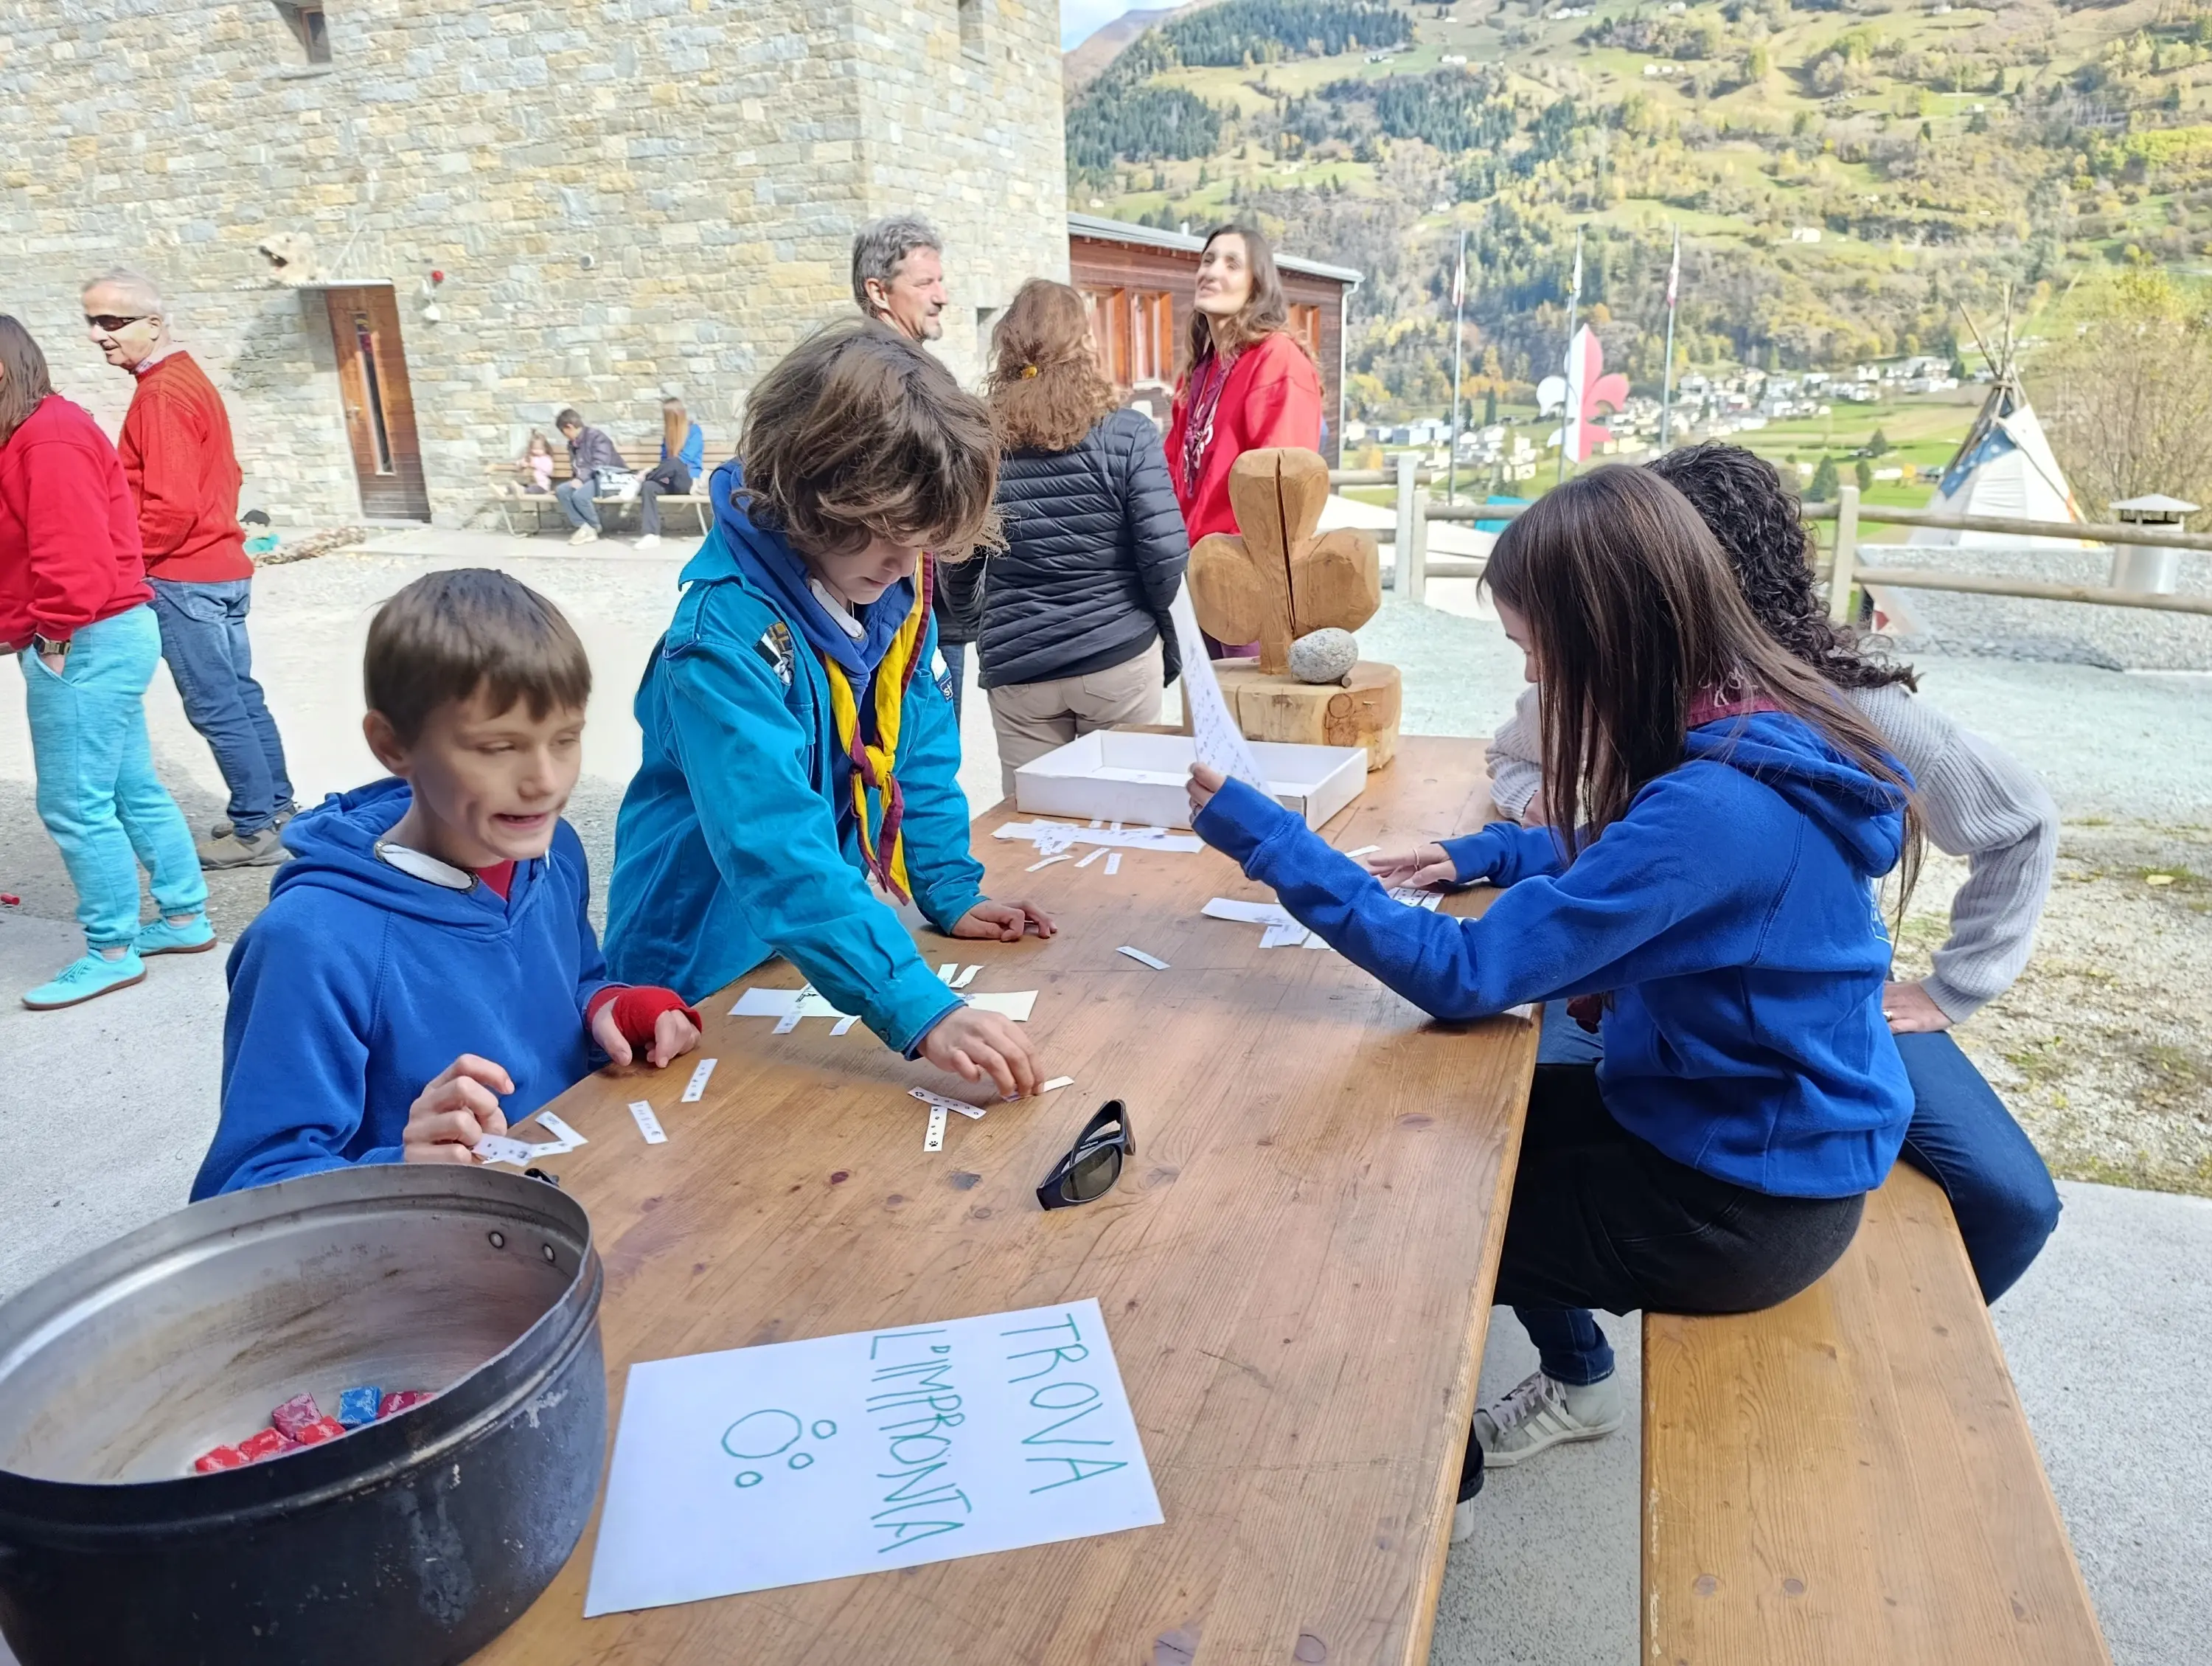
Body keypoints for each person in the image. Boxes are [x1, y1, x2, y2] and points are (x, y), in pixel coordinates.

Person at [1185, 465, 1919, 1539]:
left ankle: (1446, 1501)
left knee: (1434, 1226)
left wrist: (1273, 839)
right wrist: (1491, 846)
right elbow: (1638, 857)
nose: (1534, 682)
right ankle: (1579, 1374)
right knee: (1465, 1144)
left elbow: (1465, 973)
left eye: (1538, 655)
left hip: (1744, 1201)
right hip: (1738, 1132)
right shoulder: (1753, 724)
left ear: (1613, 635)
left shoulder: (1719, 809)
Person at [1489, 442, 2062, 1308]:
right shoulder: (1602, 667)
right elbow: (1511, 761)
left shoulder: (1848, 706)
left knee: (2011, 1198)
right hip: (1649, 988)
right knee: (1507, 1100)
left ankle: (1891, 1353)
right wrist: (1559, 816)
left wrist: (1953, 989)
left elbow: (2021, 820)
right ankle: (1575, 1370)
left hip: (1816, 1001)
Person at [603, 320, 1054, 1103]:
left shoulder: (886, 588)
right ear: (812, 497)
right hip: (693, 977)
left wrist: (949, 888)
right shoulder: (720, 642)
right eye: (886, 535)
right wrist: (918, 1007)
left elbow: (919, 751)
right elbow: (775, 844)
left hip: (811, 954)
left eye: (923, 540)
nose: (905, 560)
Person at [192, 569, 702, 1199]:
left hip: (577, 1201)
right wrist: (403, 1170)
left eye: (565, 739)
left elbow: (573, 984)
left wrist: (611, 1008)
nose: (544, 779)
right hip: (427, 1258)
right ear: (393, 745)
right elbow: (241, 1193)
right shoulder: (310, 943)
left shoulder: (554, 852)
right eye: (497, 747)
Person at [0, 315, 211, 1011]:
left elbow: (74, 562)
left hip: (86, 637)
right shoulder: (39, 431)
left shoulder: (48, 438)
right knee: (128, 787)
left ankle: (111, 950)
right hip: (99, 633)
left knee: (73, 803)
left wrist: (52, 639)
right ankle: (184, 918)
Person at [83, 268, 295, 867]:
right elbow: (223, 476)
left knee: (216, 703)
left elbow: (170, 505)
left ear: (154, 323)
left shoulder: (162, 393)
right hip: (219, 563)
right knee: (240, 695)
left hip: (186, 573)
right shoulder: (183, 378)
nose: (100, 334)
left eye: (114, 322)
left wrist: (128, 560)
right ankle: (275, 810)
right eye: (92, 322)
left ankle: (259, 827)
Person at [949, 278, 1189, 798]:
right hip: (1117, 656)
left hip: (1020, 666)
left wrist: (975, 621)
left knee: (1037, 823)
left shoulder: (981, 442)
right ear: (1085, 346)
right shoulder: (1127, 434)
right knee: (1130, 812)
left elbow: (957, 557)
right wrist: (1161, 632)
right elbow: (1166, 551)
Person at [1164, 225, 1324, 658]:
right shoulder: (1198, 373)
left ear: (1258, 286)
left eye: (1232, 263)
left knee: (1252, 718)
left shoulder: (1276, 360)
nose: (1211, 271)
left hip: (1252, 579)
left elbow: (1283, 485)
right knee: (1208, 718)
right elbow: (1173, 476)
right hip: (1198, 574)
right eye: (1207, 259)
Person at [852, 215, 967, 702]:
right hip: (885, 601)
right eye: (924, 283)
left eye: (940, 281)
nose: (941, 296)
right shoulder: (861, 373)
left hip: (932, 601)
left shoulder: (924, 368)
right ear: (878, 292)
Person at [636, 397, 704, 549]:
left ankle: (641, 480)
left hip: (687, 481)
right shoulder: (668, 436)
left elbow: (684, 459)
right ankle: (651, 535)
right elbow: (663, 462)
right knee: (649, 486)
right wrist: (655, 473)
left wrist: (650, 472)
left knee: (675, 462)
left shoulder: (694, 431)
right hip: (669, 481)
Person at [553, 407, 623, 546]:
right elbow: (577, 468)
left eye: (563, 431)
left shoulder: (597, 437)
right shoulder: (573, 444)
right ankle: (584, 527)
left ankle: (594, 527)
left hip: (609, 477)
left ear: (570, 427)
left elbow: (600, 464)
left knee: (580, 496)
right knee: (562, 490)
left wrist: (580, 479)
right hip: (590, 478)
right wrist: (574, 480)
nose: (564, 435)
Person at [520, 431, 555, 496]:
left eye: (540, 449)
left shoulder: (546, 459)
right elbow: (520, 462)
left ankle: (521, 491)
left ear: (546, 448)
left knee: (532, 490)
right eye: (534, 449)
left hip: (541, 486)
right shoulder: (530, 457)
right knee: (523, 486)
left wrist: (535, 465)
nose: (537, 451)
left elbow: (548, 471)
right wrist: (523, 464)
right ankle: (506, 490)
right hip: (529, 484)